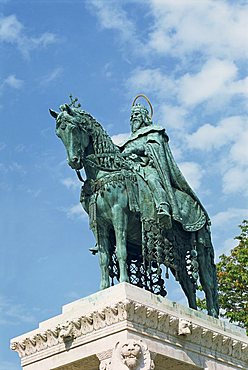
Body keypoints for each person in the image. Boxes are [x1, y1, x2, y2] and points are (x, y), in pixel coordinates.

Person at [120, 103, 209, 232]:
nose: (134, 117)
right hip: (130, 168)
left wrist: (135, 150)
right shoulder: (128, 140)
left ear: (145, 116)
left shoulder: (153, 131)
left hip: (147, 167)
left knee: (152, 179)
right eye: (132, 115)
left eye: (137, 114)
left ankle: (163, 206)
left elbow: (153, 147)